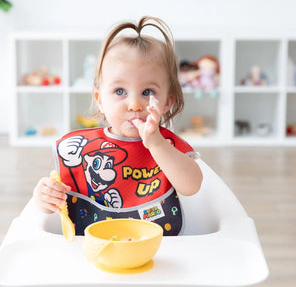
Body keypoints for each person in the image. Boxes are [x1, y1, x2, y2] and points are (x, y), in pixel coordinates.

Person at [33, 16, 203, 235]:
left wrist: (157, 145)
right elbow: (52, 207)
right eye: (119, 91)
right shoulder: (80, 149)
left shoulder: (167, 146)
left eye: (147, 92)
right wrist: (44, 197)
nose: (134, 105)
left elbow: (192, 186)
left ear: (167, 102)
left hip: (159, 249)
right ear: (100, 100)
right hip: (94, 252)